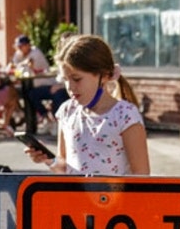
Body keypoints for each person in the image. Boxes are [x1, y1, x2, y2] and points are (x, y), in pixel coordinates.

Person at [23, 34, 150, 176]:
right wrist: (48, 159)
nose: (70, 87)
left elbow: (141, 176)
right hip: (75, 198)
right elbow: (65, 167)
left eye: (77, 79)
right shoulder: (66, 111)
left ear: (104, 76)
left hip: (113, 198)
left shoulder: (125, 116)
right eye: (65, 79)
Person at [10, 34, 68, 126]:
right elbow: (14, 66)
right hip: (34, 84)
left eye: (22, 46)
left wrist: (20, 64)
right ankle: (46, 119)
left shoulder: (36, 52)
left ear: (28, 45)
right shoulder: (19, 53)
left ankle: (52, 121)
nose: (20, 48)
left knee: (33, 94)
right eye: (18, 46)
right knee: (24, 94)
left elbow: (25, 67)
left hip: (48, 83)